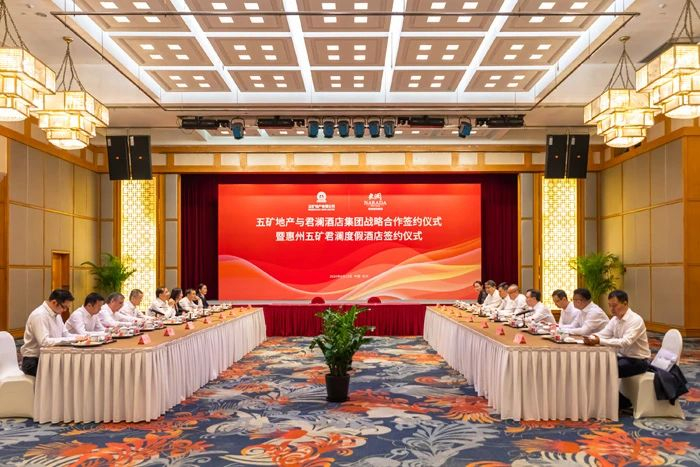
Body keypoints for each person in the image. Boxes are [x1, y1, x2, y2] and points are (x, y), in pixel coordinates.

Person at [583, 290, 651, 410]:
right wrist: (591, 337)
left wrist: (599, 340)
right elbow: (604, 333)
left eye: (614, 305)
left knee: (605, 370)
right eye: (609, 305)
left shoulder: (635, 320)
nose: (612, 309)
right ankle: (606, 401)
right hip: (622, 357)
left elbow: (625, 342)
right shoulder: (615, 319)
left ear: (625, 303)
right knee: (596, 366)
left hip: (638, 360)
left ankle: (622, 403)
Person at [20, 289, 86, 376]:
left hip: (50, 357)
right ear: (54, 302)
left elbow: (66, 335)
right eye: (64, 307)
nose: (65, 310)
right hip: (34, 361)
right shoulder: (40, 315)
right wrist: (73, 339)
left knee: (74, 369)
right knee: (65, 374)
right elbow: (44, 342)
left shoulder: (57, 314)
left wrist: (81, 338)